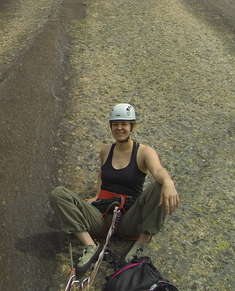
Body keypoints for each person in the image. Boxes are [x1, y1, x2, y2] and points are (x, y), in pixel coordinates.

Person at [49, 103, 180, 272]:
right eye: (115, 124)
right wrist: (97, 195)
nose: (119, 128)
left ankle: (141, 243)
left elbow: (158, 170)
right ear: (111, 126)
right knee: (58, 194)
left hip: (129, 218)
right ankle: (90, 246)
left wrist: (168, 182)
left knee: (159, 185)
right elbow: (101, 172)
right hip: (101, 217)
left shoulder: (144, 152)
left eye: (124, 124)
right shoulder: (105, 151)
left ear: (131, 126)